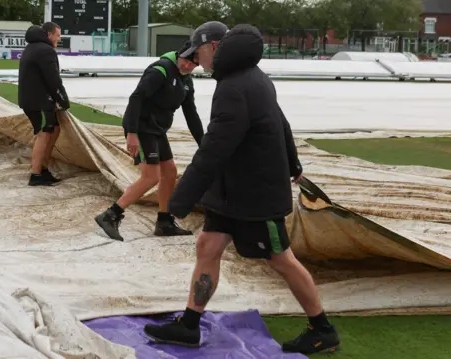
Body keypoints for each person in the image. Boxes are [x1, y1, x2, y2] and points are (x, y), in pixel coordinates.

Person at [142, 22, 341, 355]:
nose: (197, 60)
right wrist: (293, 164)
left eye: (198, 51)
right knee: (208, 245)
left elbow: (215, 149)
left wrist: (179, 199)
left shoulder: (236, 87)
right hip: (231, 192)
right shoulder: (249, 78)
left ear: (215, 47)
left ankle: (322, 329)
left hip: (255, 195)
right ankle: (190, 326)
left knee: (281, 259)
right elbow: (280, 122)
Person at [94, 41, 204, 241]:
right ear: (180, 54)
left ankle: (164, 222)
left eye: (193, 65)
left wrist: (203, 144)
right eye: (187, 61)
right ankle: (110, 215)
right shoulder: (160, 70)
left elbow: (192, 115)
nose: (188, 66)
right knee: (151, 177)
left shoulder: (186, 80)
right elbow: (136, 98)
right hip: (143, 128)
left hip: (157, 130)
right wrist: (131, 133)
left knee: (170, 172)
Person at [18, 22, 69, 186]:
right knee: (44, 133)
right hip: (40, 101)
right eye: (57, 35)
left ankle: (43, 168)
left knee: (54, 129)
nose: (59, 39)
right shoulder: (45, 51)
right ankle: (35, 174)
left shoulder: (31, 48)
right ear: (49, 35)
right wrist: (63, 100)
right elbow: (53, 79)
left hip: (32, 100)